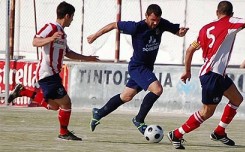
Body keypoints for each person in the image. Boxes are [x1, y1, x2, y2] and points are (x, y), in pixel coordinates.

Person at [168, 1, 245, 149]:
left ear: (217, 12)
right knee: (206, 113)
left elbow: (190, 50)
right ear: (232, 14)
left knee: (237, 99)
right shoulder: (231, 22)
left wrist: (187, 70)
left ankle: (219, 132)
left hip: (216, 74)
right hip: (212, 75)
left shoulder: (205, 29)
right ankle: (176, 134)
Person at [87, 4, 189, 136]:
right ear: (146, 16)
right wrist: (94, 36)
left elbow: (177, 32)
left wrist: (181, 33)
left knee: (126, 96)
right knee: (157, 89)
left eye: (157, 20)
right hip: (137, 67)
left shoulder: (161, 24)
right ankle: (138, 119)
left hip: (146, 68)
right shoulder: (136, 27)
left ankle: (99, 113)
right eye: (152, 20)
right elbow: (113, 25)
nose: (155, 23)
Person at [8, 1, 99, 141]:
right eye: (72, 17)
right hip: (47, 73)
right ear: (67, 16)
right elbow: (35, 41)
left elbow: (68, 53)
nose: (72, 20)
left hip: (53, 74)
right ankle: (63, 133)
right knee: (66, 103)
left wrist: (88, 58)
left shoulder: (62, 33)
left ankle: (23, 91)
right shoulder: (50, 27)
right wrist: (50, 38)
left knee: (55, 106)